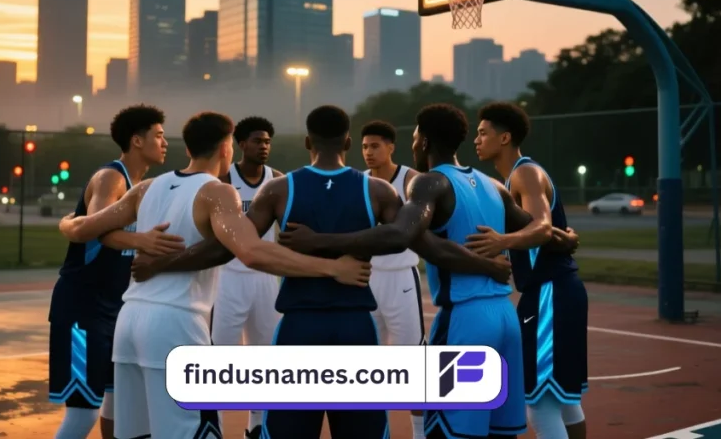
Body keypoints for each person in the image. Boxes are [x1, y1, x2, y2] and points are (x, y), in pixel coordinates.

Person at [58, 111, 372, 439]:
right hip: (175, 325)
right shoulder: (216, 192)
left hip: (130, 321)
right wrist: (333, 268)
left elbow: (82, 229)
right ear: (226, 148)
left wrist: (68, 220)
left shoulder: (149, 188)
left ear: (188, 149)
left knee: (137, 435)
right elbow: (252, 252)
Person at [278, 104, 543, 439]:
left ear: (425, 142)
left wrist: (317, 240)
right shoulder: (493, 185)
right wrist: (560, 235)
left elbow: (400, 234)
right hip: (505, 316)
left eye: (415, 138)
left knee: (450, 431)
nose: (413, 145)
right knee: (500, 433)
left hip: (466, 319)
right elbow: (540, 229)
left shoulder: (430, 183)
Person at [48, 104, 185, 439]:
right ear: (137, 141)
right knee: (83, 415)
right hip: (83, 310)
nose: (165, 142)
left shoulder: (146, 187)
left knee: (120, 405)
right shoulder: (111, 177)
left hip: (117, 310)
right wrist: (145, 241)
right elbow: (96, 227)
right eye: (159, 135)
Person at [471, 101, 587, 439]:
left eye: (483, 134)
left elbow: (541, 227)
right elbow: (552, 232)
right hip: (554, 291)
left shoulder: (525, 173)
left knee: (539, 404)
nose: (476, 140)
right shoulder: (511, 179)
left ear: (505, 138)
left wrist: (500, 241)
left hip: (550, 294)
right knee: (563, 401)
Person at [215, 116, 283, 439]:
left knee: (265, 355)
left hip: (265, 278)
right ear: (241, 144)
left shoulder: (277, 181)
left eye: (268, 141)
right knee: (220, 355)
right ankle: (210, 422)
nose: (264, 146)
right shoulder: (223, 179)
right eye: (258, 141)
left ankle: (257, 427)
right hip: (228, 277)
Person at [360, 120, 427, 439]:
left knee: (413, 363)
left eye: (375, 146)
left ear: (390, 147)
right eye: (364, 146)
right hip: (365, 279)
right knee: (367, 366)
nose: (368, 152)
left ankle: (419, 433)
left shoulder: (411, 180)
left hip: (400, 278)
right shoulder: (357, 183)